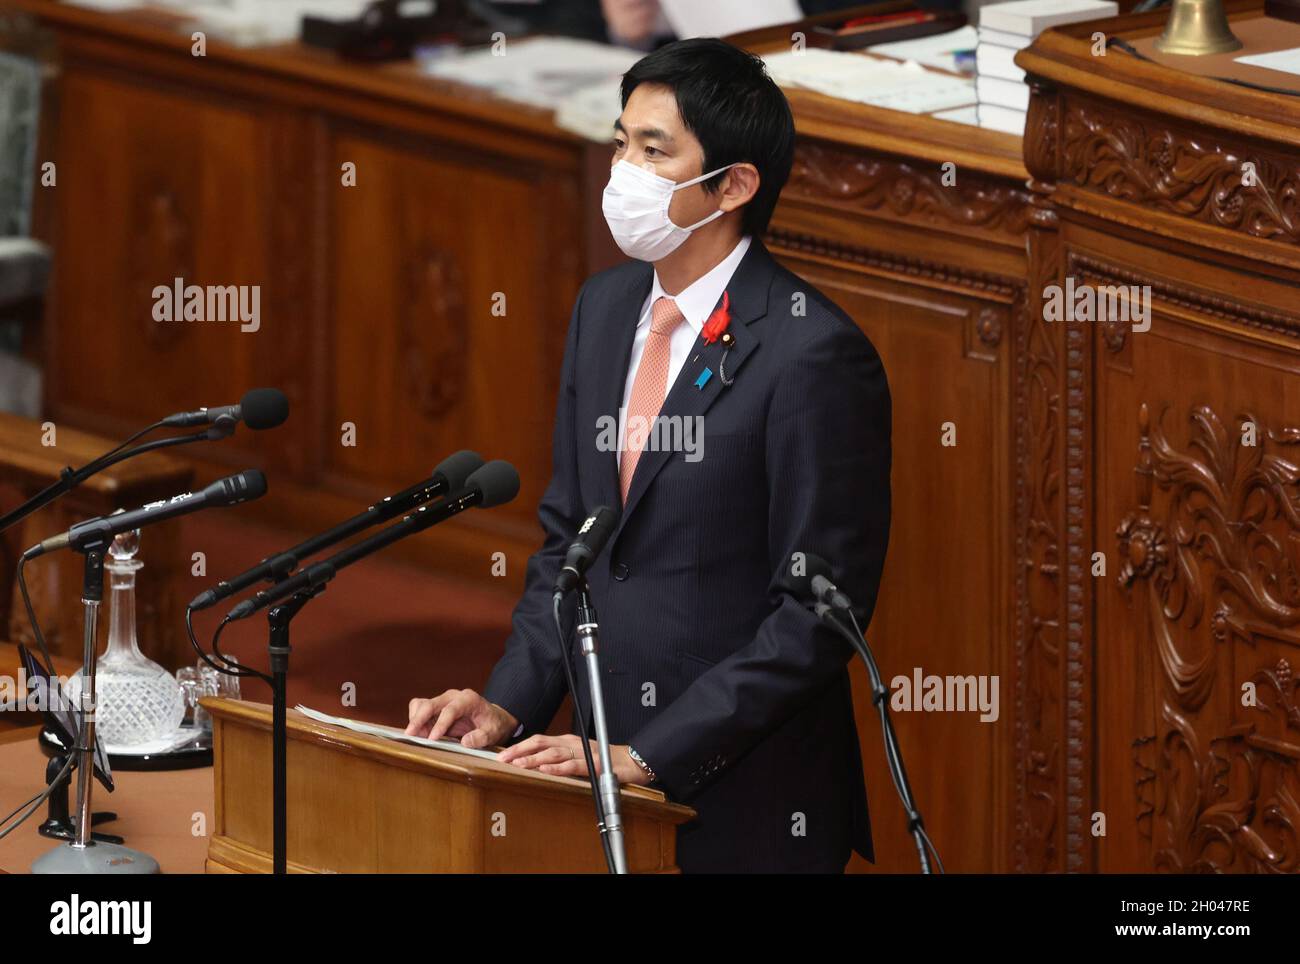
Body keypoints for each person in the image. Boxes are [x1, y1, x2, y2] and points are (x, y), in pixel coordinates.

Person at [406, 37, 891, 873]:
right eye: (622, 140)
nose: (622, 168)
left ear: (734, 185)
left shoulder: (811, 354)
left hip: (745, 798)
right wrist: (507, 707)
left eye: (654, 150)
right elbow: (572, 544)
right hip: (598, 784)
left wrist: (649, 753)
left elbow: (817, 616)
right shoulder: (606, 307)